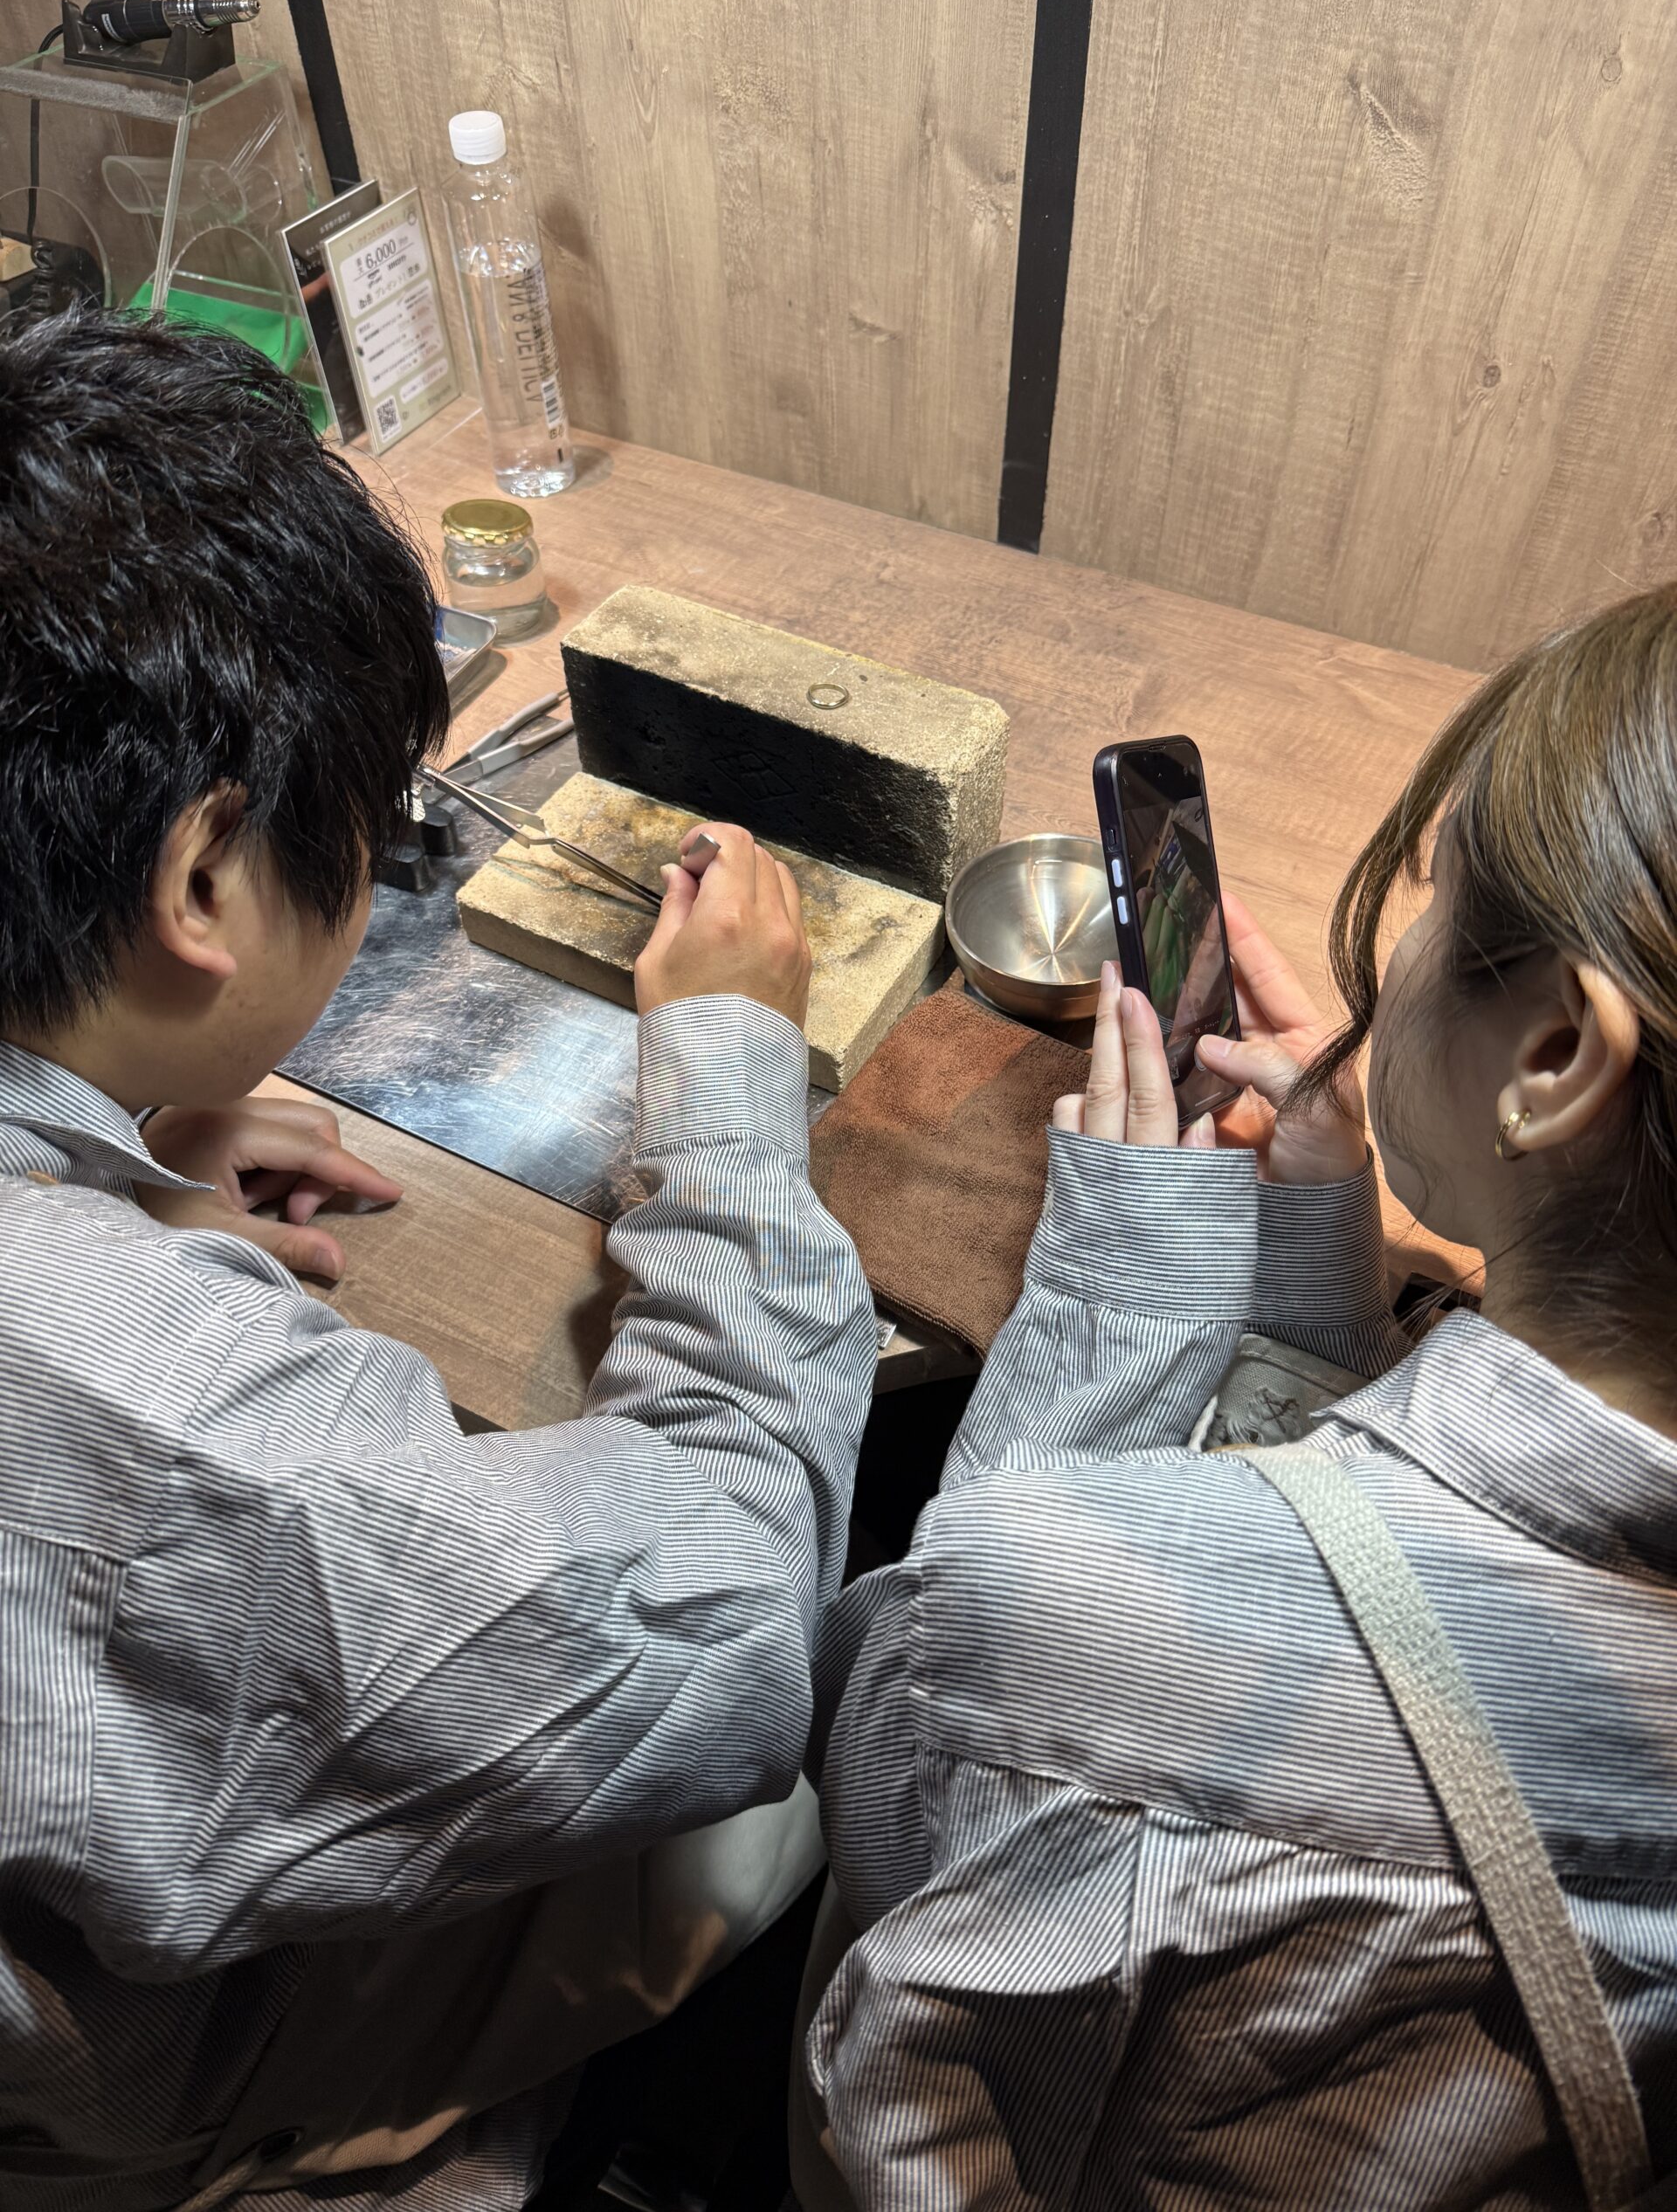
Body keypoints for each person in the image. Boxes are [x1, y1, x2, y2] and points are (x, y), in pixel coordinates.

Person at [0, 311, 877, 2209]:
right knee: (789, 1782)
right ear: (201, 879)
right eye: (370, 819)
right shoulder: (176, 1416)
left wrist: (103, 1145)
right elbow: (724, 1611)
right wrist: (728, 1078)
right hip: (140, 2093)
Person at [803, 586, 1677, 2206]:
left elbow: (889, 1762)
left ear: (1556, 1055)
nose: (1400, 956)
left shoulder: (1072, 1624)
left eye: (1440, 894)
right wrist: (1317, 1249)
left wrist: (1113, 1310)